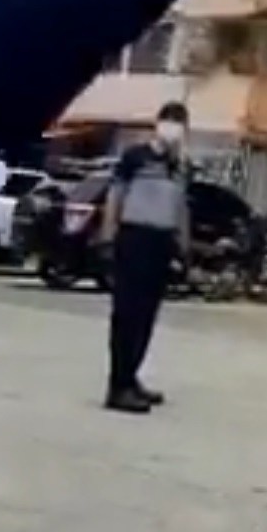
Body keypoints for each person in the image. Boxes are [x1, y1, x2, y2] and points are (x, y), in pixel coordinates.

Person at [97, 100, 192, 414]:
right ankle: (118, 386)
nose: (174, 129)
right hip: (134, 238)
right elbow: (115, 196)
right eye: (170, 121)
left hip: (161, 243)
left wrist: (183, 246)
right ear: (158, 123)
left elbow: (180, 208)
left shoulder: (179, 166)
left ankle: (131, 377)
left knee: (146, 317)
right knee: (127, 314)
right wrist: (109, 237)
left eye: (179, 123)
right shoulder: (135, 158)